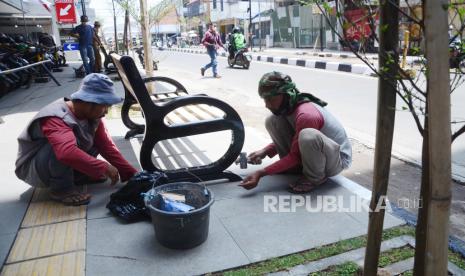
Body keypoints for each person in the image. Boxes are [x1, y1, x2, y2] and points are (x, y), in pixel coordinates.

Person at [15, 73, 138, 206]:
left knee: (94, 142)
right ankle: (62, 190)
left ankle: (78, 175)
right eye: (105, 106)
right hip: (35, 168)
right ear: (90, 103)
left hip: (56, 159)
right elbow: (66, 153)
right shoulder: (57, 117)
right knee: (63, 149)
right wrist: (103, 167)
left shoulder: (92, 116)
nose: (106, 112)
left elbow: (106, 146)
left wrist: (130, 173)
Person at [239, 72, 352, 193]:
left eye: (270, 98)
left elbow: (297, 153)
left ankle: (315, 177)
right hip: (319, 152)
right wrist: (265, 151)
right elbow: (296, 142)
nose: (267, 104)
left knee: (308, 135)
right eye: (264, 99)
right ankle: (294, 167)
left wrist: (261, 173)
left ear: (286, 94)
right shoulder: (290, 107)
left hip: (337, 160)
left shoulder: (306, 115)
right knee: (272, 120)